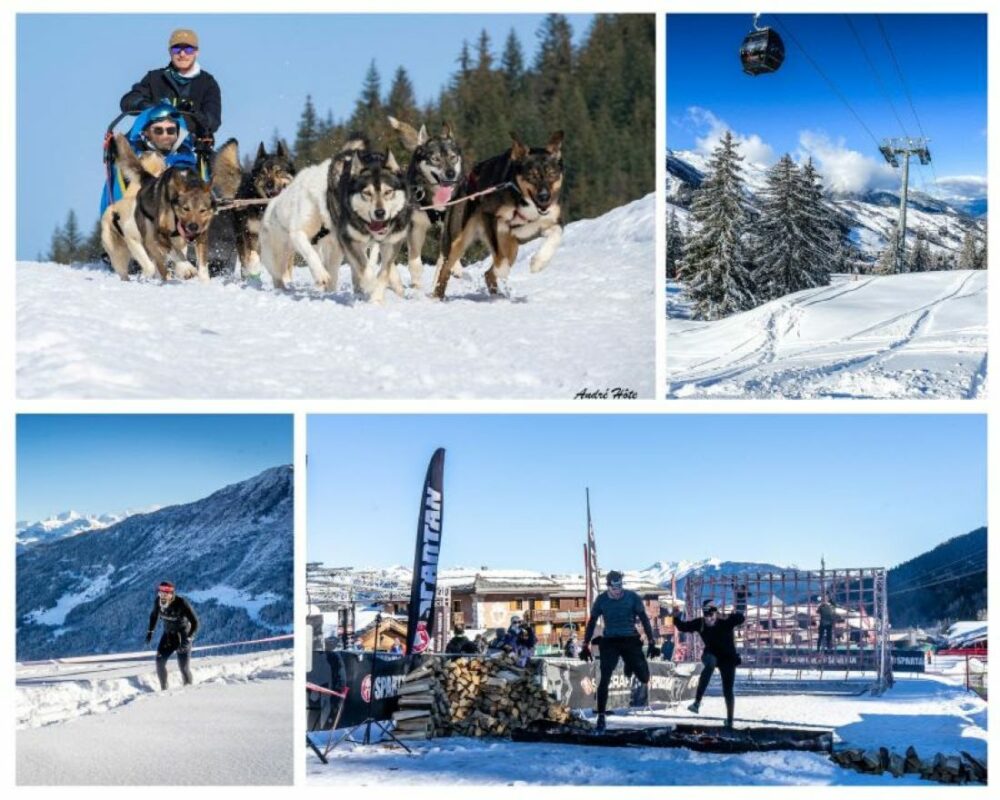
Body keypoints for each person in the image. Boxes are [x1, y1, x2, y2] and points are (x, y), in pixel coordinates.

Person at [580, 571, 659, 733]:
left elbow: (644, 618)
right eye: (614, 589)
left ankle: (629, 664)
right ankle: (601, 717)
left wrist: (651, 641)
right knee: (605, 676)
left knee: (644, 677)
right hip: (610, 641)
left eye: (620, 588)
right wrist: (585, 644)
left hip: (630, 639)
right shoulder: (601, 600)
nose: (618, 592)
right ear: (608, 587)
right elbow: (592, 621)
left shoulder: (632, 597)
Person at [120, 29, 222, 145]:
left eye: (188, 49)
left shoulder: (207, 83)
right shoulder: (154, 78)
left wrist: (186, 117)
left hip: (192, 147)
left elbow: (213, 121)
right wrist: (151, 108)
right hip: (153, 145)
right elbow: (128, 101)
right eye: (177, 49)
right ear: (170, 52)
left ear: (196, 52)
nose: (182, 54)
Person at [672, 598, 746, 729]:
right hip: (710, 654)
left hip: (728, 658)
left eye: (711, 615)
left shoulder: (725, 621)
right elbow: (683, 627)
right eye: (706, 616)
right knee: (710, 663)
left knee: (728, 690)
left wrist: (729, 615)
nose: (709, 619)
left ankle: (730, 720)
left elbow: (741, 619)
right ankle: (697, 702)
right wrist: (676, 617)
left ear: (716, 614)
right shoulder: (700, 623)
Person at [146, 581, 199, 690]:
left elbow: (195, 622)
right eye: (160, 594)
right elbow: (154, 615)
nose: (162, 597)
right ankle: (164, 690)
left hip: (182, 636)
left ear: (171, 594)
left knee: (183, 668)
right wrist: (150, 631)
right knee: (159, 663)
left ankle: (189, 690)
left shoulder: (181, 603)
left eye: (165, 594)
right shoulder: (158, 602)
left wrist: (188, 638)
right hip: (168, 636)